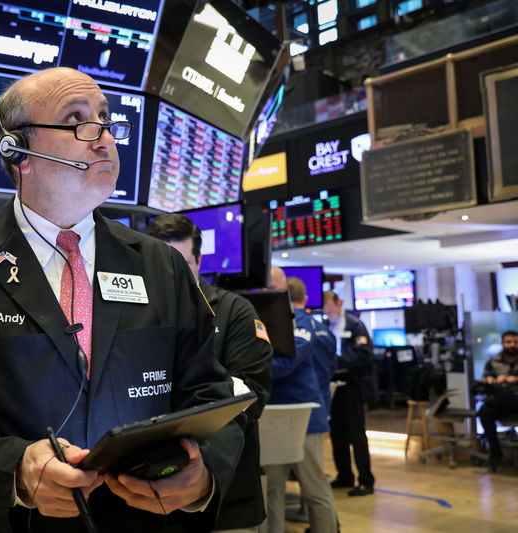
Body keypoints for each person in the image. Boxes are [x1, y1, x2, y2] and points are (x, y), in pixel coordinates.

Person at [0, 67, 245, 533]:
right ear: (18, 150)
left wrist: (204, 476)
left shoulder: (162, 266)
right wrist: (14, 468)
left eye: (105, 119)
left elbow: (210, 395)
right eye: (77, 120)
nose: (103, 140)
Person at [146, 213, 273, 533]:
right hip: (150, 492)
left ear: (199, 260)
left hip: (226, 492)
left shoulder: (235, 311)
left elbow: (253, 395)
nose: (170, 277)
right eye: (161, 266)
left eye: (181, 265)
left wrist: (184, 384)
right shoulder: (137, 313)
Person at [265, 268, 337, 533]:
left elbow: (285, 363)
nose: (266, 292)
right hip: (271, 417)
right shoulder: (260, 320)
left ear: (284, 288)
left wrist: (249, 365)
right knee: (271, 492)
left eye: (272, 287)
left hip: (304, 418)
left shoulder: (302, 322)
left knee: (315, 489)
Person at [322, 290, 375, 496]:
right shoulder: (325, 327)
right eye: (325, 310)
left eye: (330, 308)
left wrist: (336, 363)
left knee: (357, 433)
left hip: (353, 385)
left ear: (339, 303)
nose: (328, 313)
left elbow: (363, 355)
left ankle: (366, 480)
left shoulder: (356, 325)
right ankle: (344, 475)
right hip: (332, 386)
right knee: (337, 433)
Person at [477, 330, 518, 471]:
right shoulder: (493, 362)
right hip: (501, 401)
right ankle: (495, 452)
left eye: (515, 342)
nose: (512, 345)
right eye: (509, 342)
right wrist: (494, 380)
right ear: (503, 343)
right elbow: (485, 380)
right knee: (484, 411)